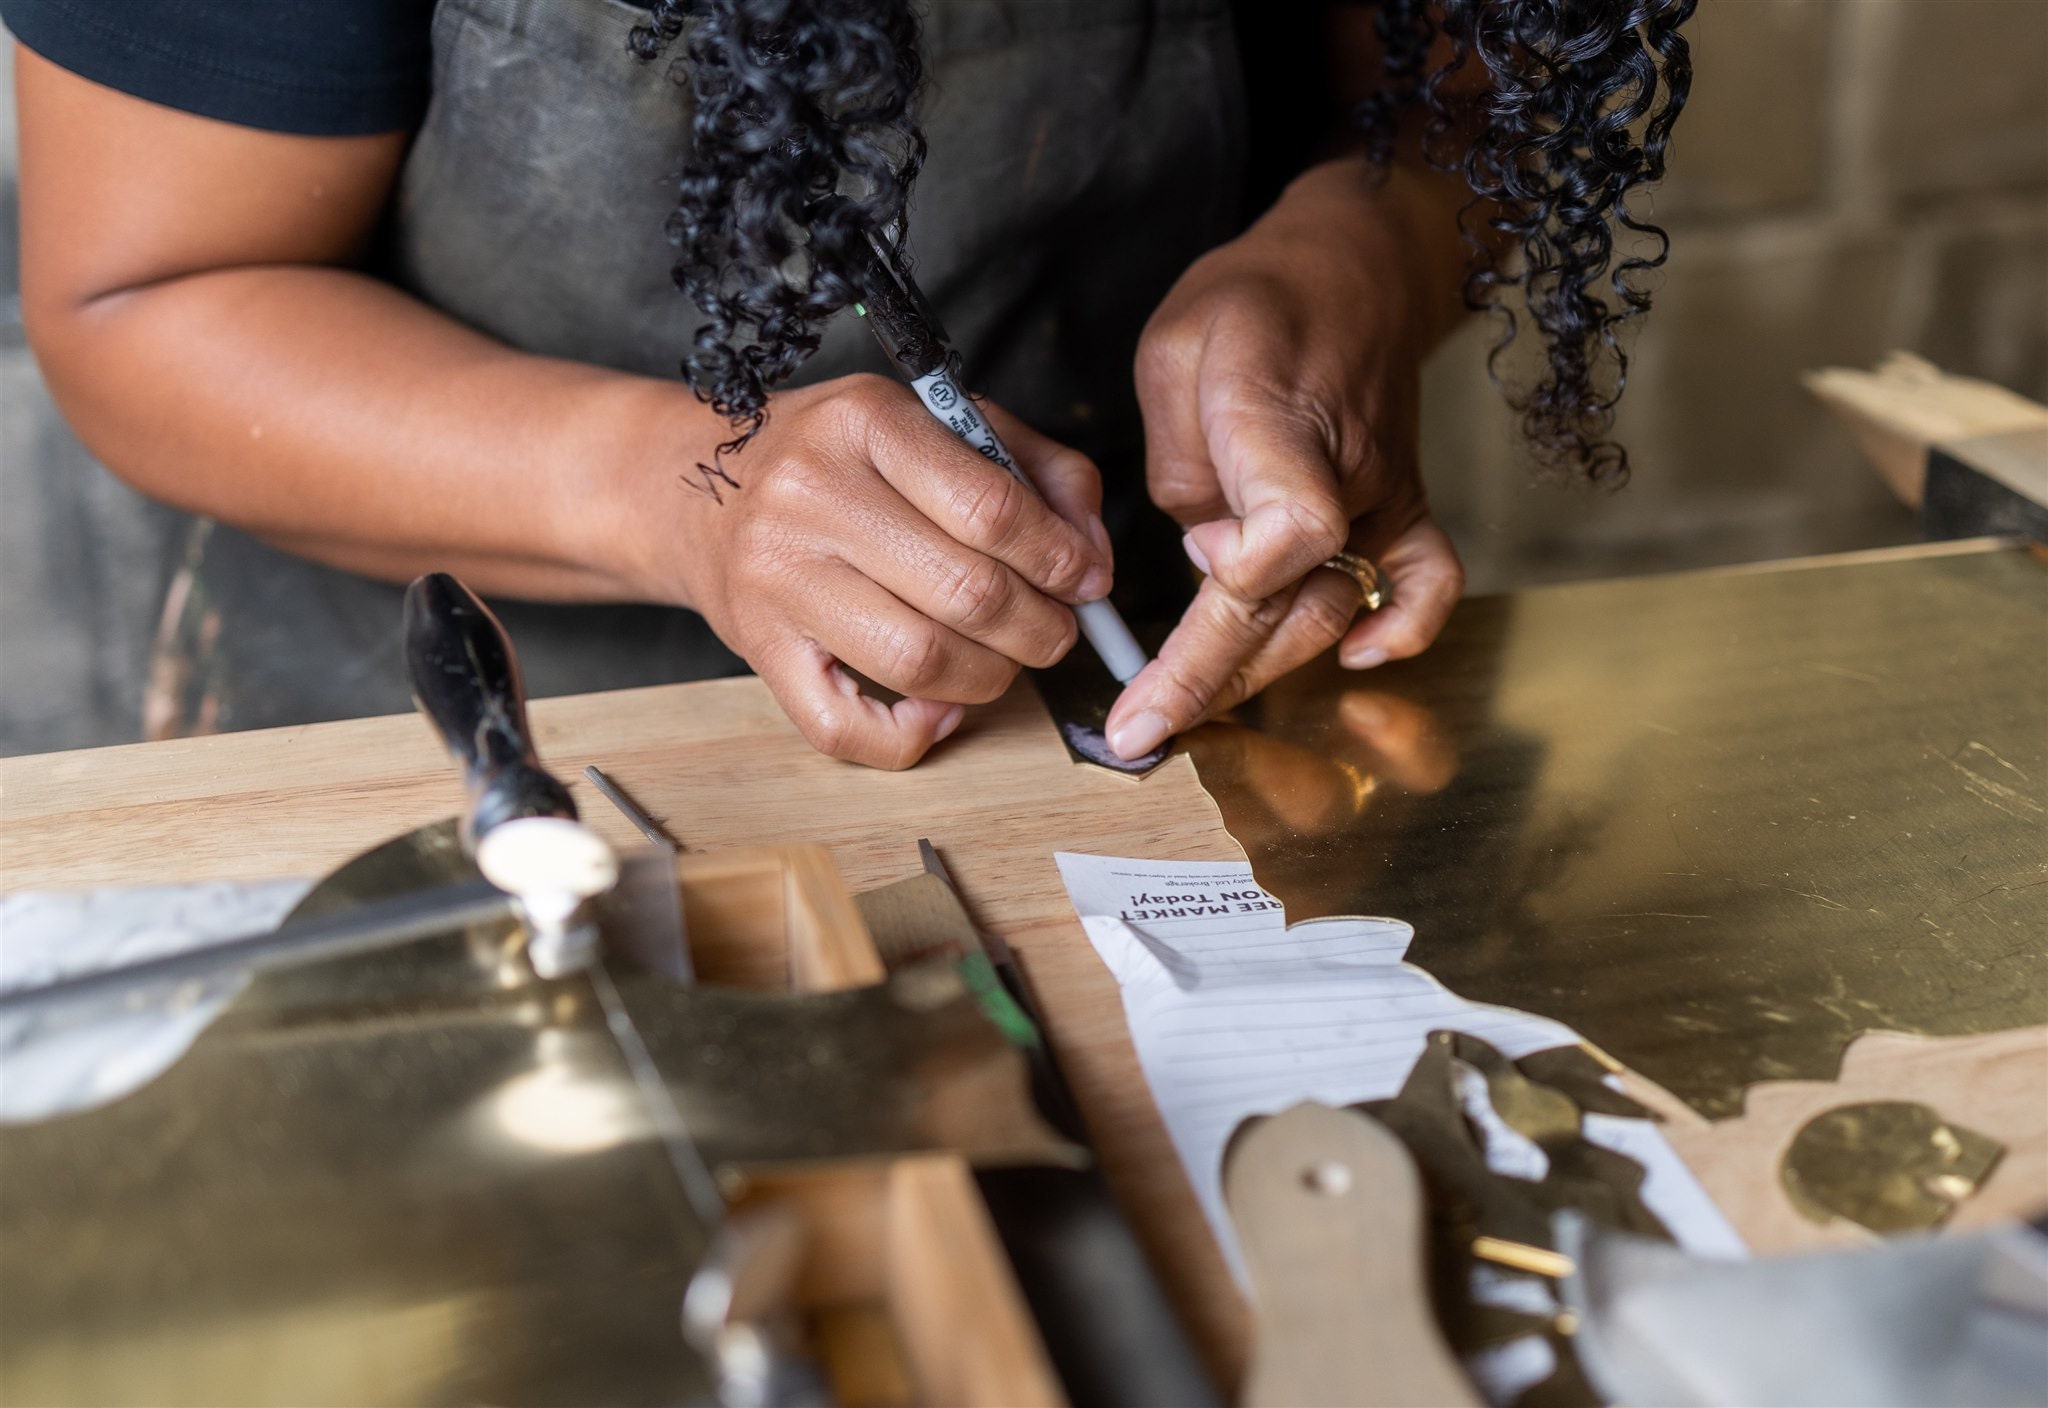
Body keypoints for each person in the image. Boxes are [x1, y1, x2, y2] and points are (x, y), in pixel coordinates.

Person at [7, 0, 1691, 769]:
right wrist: (668, 494)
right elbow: (145, 295)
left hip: (1153, 660)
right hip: (486, 721)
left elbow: (1451, 98)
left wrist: (1356, 261)